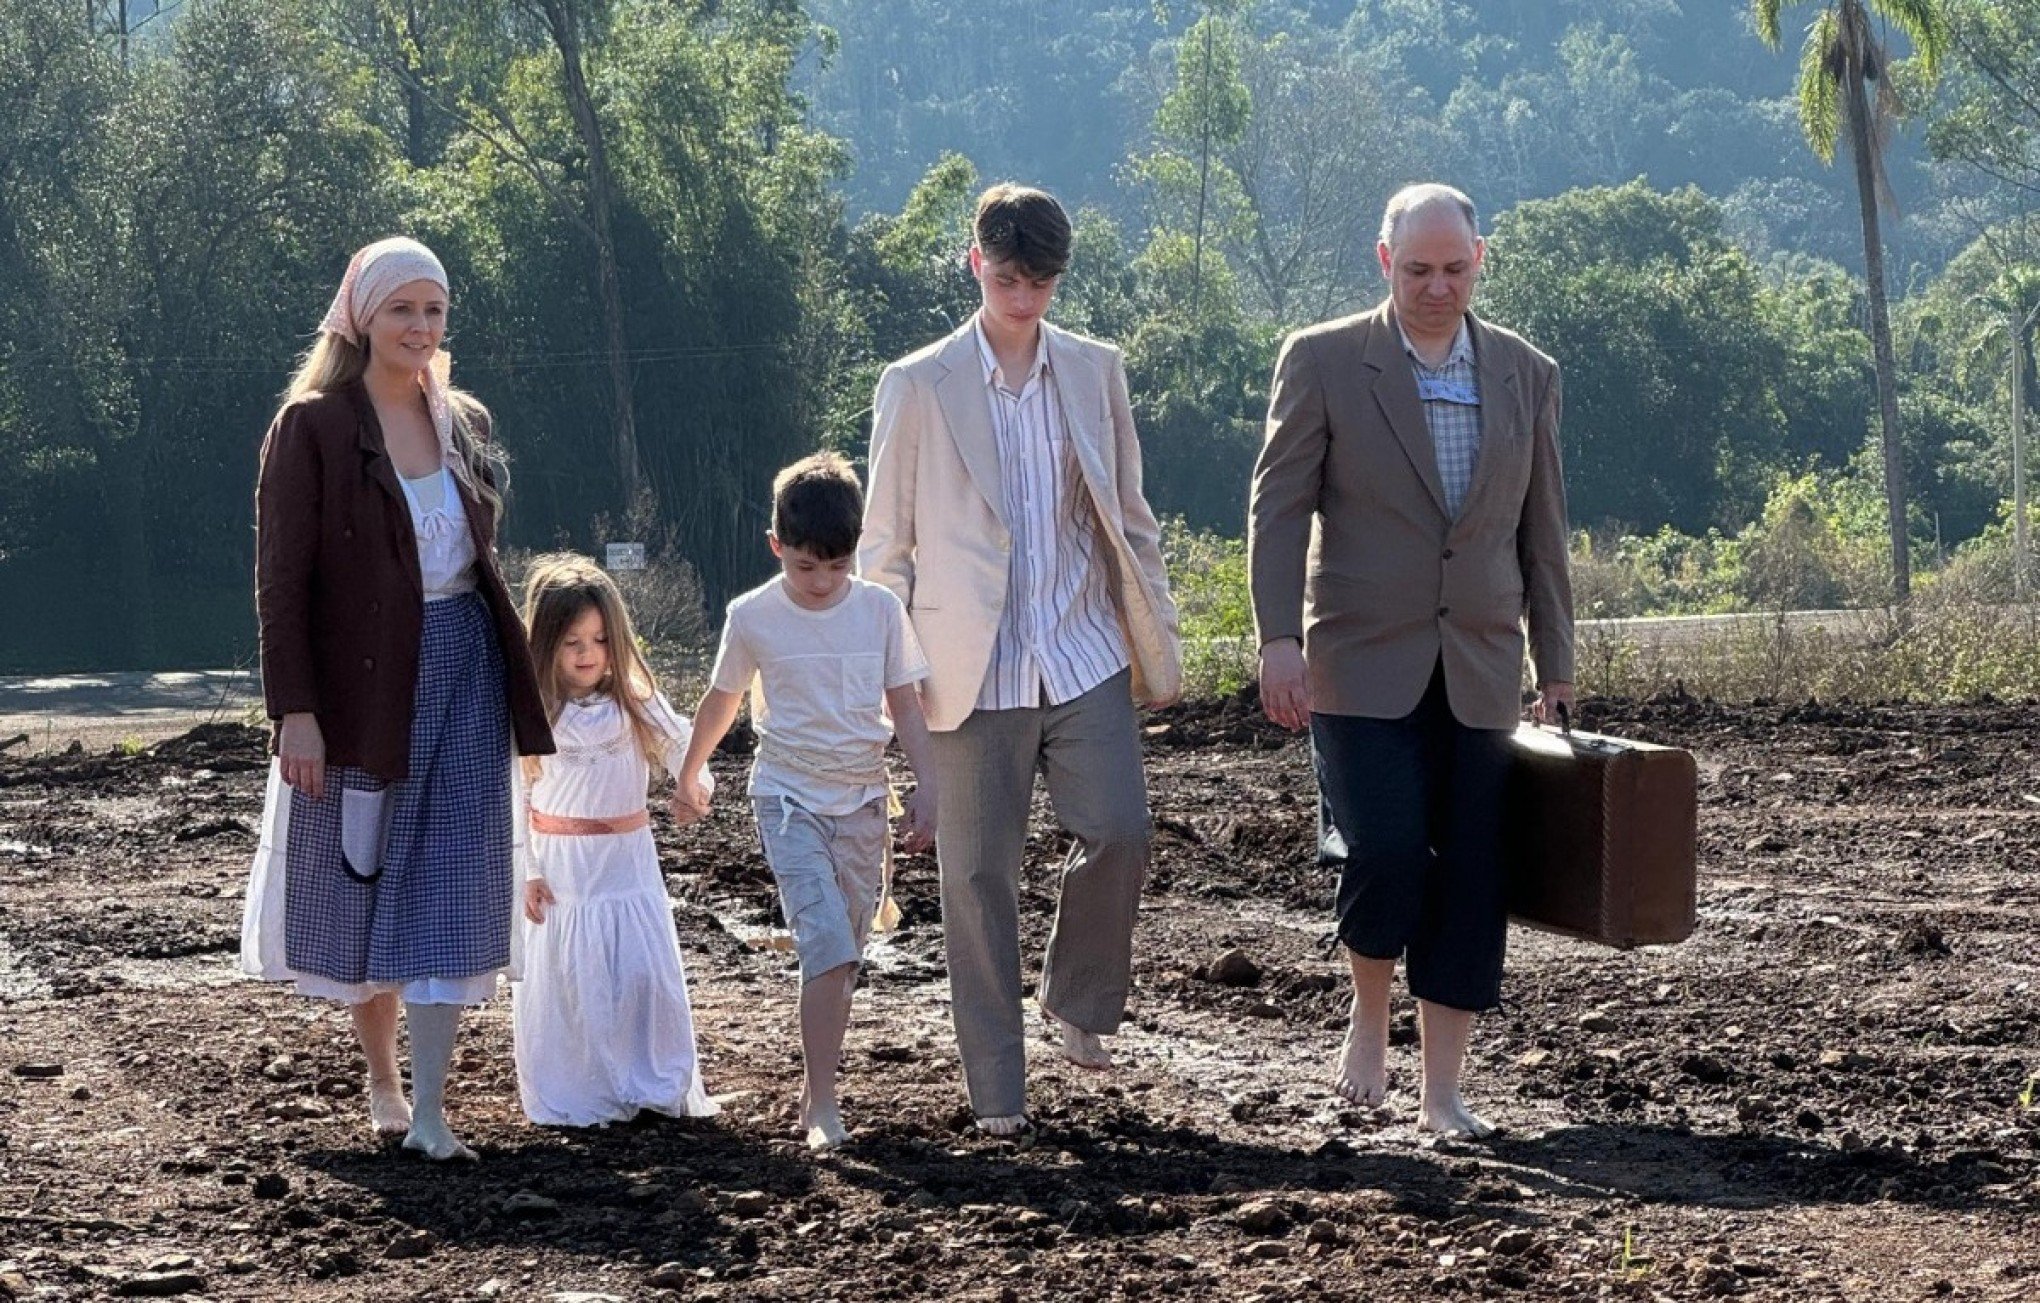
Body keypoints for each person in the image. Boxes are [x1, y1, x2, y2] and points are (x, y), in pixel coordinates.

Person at [1248, 183, 1574, 1139]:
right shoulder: (1323, 360)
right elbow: (1277, 510)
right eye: (1419, 269)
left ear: (1483, 261)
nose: (1438, 288)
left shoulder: (1525, 372)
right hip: (1356, 658)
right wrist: (1277, 637)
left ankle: (1442, 1091)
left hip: (1479, 662)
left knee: (1472, 875)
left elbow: (1542, 531)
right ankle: (1367, 1007)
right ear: (1384, 261)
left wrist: (1555, 664)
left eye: (1456, 270)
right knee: (1386, 849)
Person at [859, 184, 1182, 1135]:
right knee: (976, 883)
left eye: (1042, 279)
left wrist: (1152, 629)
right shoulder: (916, 383)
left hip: (1083, 650)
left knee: (1122, 829)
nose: (1024, 295)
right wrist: (890, 680)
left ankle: (1078, 1002)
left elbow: (1128, 513)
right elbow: (885, 547)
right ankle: (998, 1096)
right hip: (966, 667)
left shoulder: (1095, 369)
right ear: (975, 264)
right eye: (1007, 276)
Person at [240, 236, 555, 1162]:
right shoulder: (312, 426)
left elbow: (478, 556)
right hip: (361, 681)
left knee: (454, 878)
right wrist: (294, 707)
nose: (421, 328)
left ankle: (430, 1108)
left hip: (462, 664)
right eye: (402, 310)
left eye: (434, 311)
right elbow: (280, 581)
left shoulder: (462, 419)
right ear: (361, 317)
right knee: (365, 877)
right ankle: (380, 1077)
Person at [675, 452, 938, 1150]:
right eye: (804, 567)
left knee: (845, 955)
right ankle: (824, 1103)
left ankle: (814, 1085)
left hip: (861, 802)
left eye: (836, 565)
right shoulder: (753, 615)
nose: (821, 582)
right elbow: (722, 699)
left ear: (855, 551)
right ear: (777, 547)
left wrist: (929, 786)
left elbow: (906, 705)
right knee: (824, 946)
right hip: (787, 797)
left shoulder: (880, 611)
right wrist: (688, 773)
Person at [510, 554, 719, 1127]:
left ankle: (650, 1080)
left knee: (639, 973)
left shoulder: (634, 697)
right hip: (562, 871)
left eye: (600, 639)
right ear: (547, 641)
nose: (587, 653)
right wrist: (526, 869)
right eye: (573, 640)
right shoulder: (534, 712)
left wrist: (693, 780)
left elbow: (683, 745)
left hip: (626, 864)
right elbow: (515, 796)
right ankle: (585, 1087)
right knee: (575, 984)